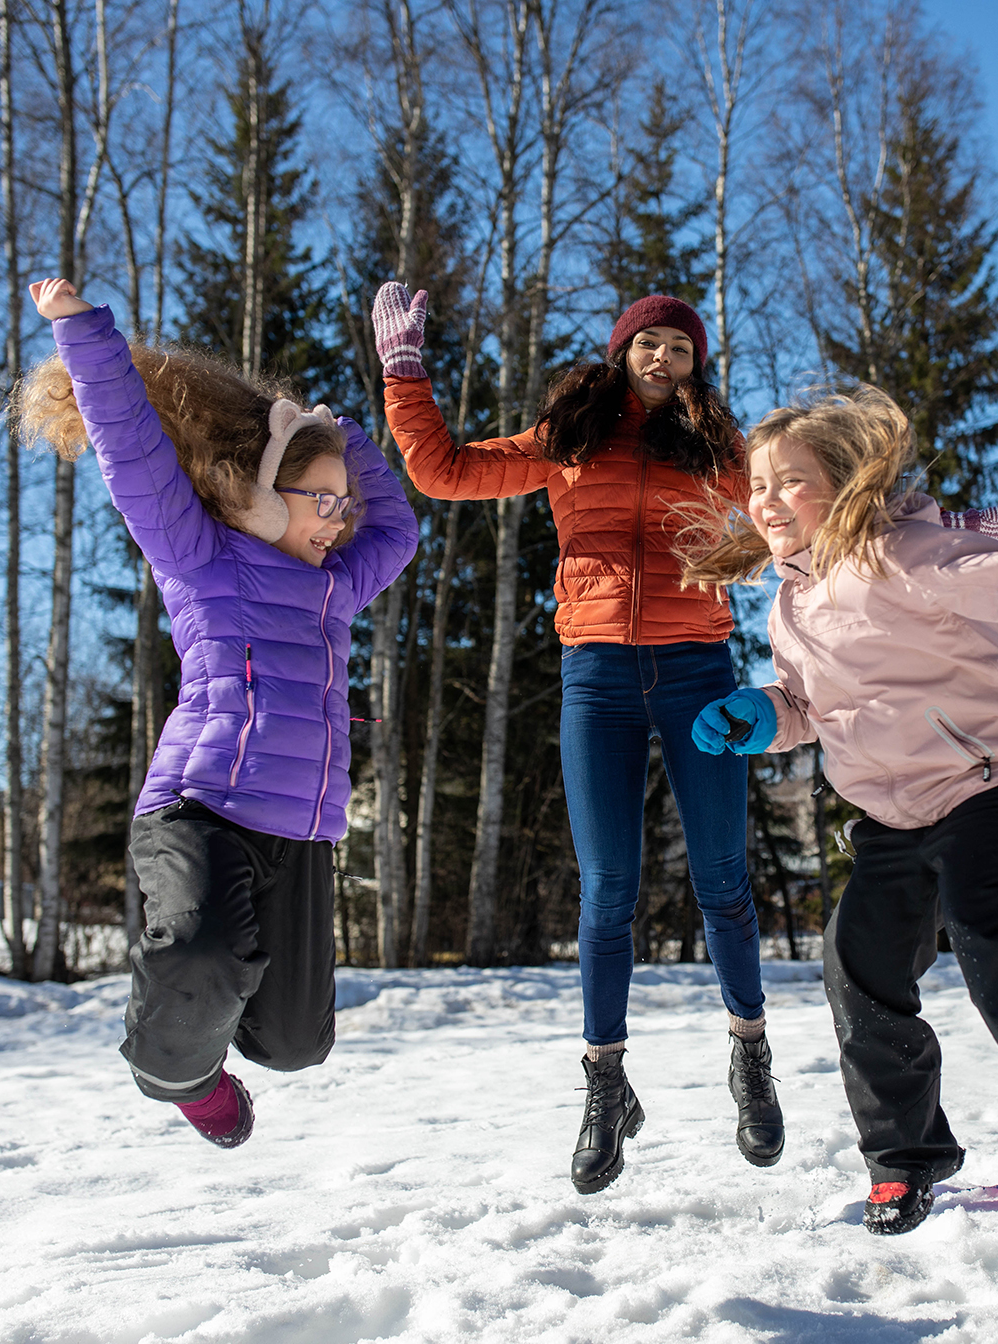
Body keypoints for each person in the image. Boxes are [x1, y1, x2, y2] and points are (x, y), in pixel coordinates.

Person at [678, 385, 998, 1246]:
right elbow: (811, 705)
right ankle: (905, 1155)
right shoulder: (790, 604)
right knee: (857, 961)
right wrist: (764, 714)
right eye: (758, 485)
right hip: (895, 813)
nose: (767, 501)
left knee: (987, 924)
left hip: (994, 778)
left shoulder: (905, 552)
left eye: (791, 482)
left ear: (845, 483)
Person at [369, 282, 781, 1194]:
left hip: (699, 671)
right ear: (622, 351)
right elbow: (443, 470)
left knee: (722, 879)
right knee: (608, 889)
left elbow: (808, 510)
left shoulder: (723, 451)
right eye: (649, 342)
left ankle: (750, 1057)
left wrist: (936, 528)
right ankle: (605, 1084)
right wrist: (404, 373)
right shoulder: (571, 437)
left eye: (680, 346)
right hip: (596, 677)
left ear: (696, 364)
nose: (663, 357)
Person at [16, 277, 418, 1147]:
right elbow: (132, 452)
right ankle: (182, 1075)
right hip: (202, 810)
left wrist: (344, 436)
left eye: (344, 503)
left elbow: (399, 533)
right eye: (321, 500)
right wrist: (84, 336)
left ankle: (214, 1027)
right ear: (264, 494)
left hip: (300, 833)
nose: (339, 520)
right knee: (201, 955)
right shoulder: (202, 559)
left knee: (296, 1044)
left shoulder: (338, 586)